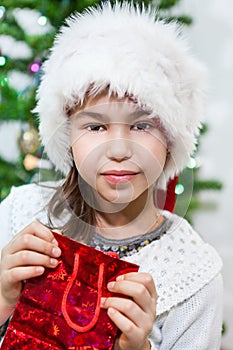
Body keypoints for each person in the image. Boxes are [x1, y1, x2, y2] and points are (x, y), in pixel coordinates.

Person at [0, 2, 223, 349]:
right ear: (68, 137)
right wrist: (3, 301)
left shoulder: (194, 274)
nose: (118, 149)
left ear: (170, 139)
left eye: (141, 124)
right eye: (96, 125)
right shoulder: (19, 216)